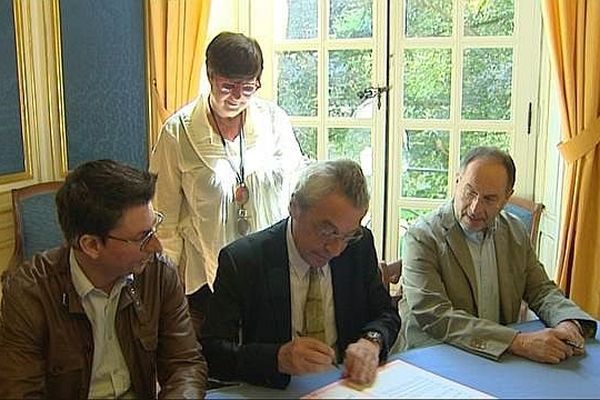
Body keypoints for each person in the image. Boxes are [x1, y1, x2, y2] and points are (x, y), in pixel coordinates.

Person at [0, 159, 207, 398]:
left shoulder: (158, 273)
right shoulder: (29, 293)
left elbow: (185, 364)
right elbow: (20, 393)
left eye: (154, 228)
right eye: (143, 237)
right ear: (91, 245)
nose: (157, 246)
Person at [201, 159, 401, 389]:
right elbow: (212, 353)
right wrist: (276, 358)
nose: (335, 249)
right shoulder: (244, 260)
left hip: (346, 388)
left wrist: (372, 341)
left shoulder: (359, 245)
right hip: (275, 390)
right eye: (327, 231)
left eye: (347, 236)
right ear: (294, 206)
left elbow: (386, 314)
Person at [398, 146, 597, 364]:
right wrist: (519, 343)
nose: (475, 207)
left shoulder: (515, 232)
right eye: (470, 192)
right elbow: (435, 315)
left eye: (489, 199)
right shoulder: (421, 237)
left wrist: (567, 322)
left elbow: (540, 290)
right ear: (457, 182)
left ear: (506, 198)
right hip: (435, 357)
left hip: (498, 358)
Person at [149, 31, 304, 303]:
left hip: (272, 271)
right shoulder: (178, 132)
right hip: (206, 279)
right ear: (210, 76)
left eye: (248, 87)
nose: (237, 96)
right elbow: (165, 219)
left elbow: (297, 191)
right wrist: (166, 287)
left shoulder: (274, 122)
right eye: (228, 86)